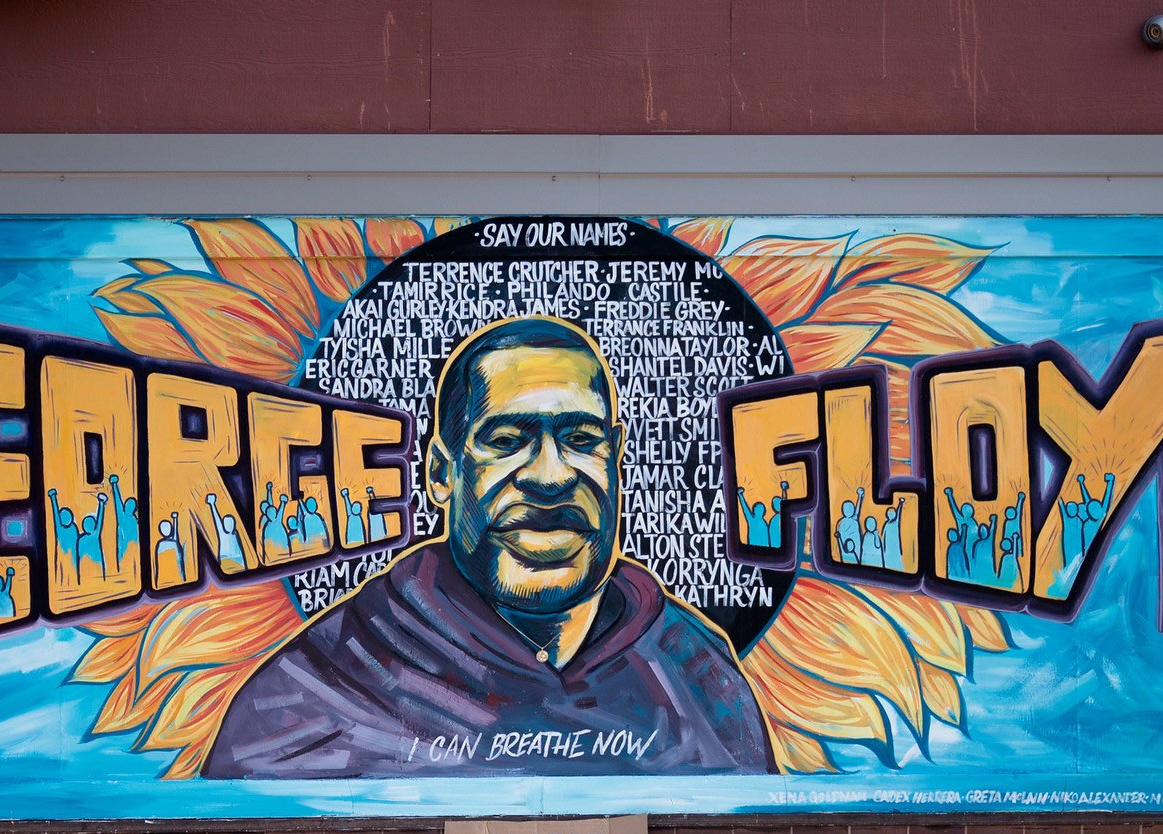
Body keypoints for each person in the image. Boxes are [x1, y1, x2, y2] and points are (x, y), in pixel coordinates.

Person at [205, 314, 774, 779]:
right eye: (506, 441)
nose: (551, 477)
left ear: (616, 457)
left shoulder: (697, 677)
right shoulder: (318, 690)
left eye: (581, 439)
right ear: (440, 473)